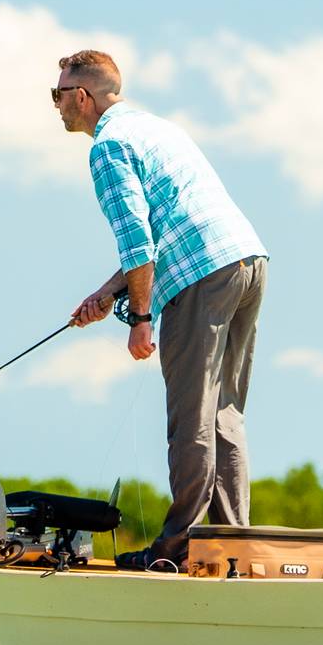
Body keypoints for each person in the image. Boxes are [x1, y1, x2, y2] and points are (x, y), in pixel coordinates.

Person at [52, 49, 267, 569]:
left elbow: (138, 240)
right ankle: (230, 544)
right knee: (223, 415)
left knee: (190, 417)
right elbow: (160, 230)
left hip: (201, 277)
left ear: (82, 96)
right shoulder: (159, 128)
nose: (55, 105)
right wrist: (108, 295)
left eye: (57, 95)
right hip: (246, 261)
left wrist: (142, 320)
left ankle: (178, 549)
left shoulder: (107, 146)